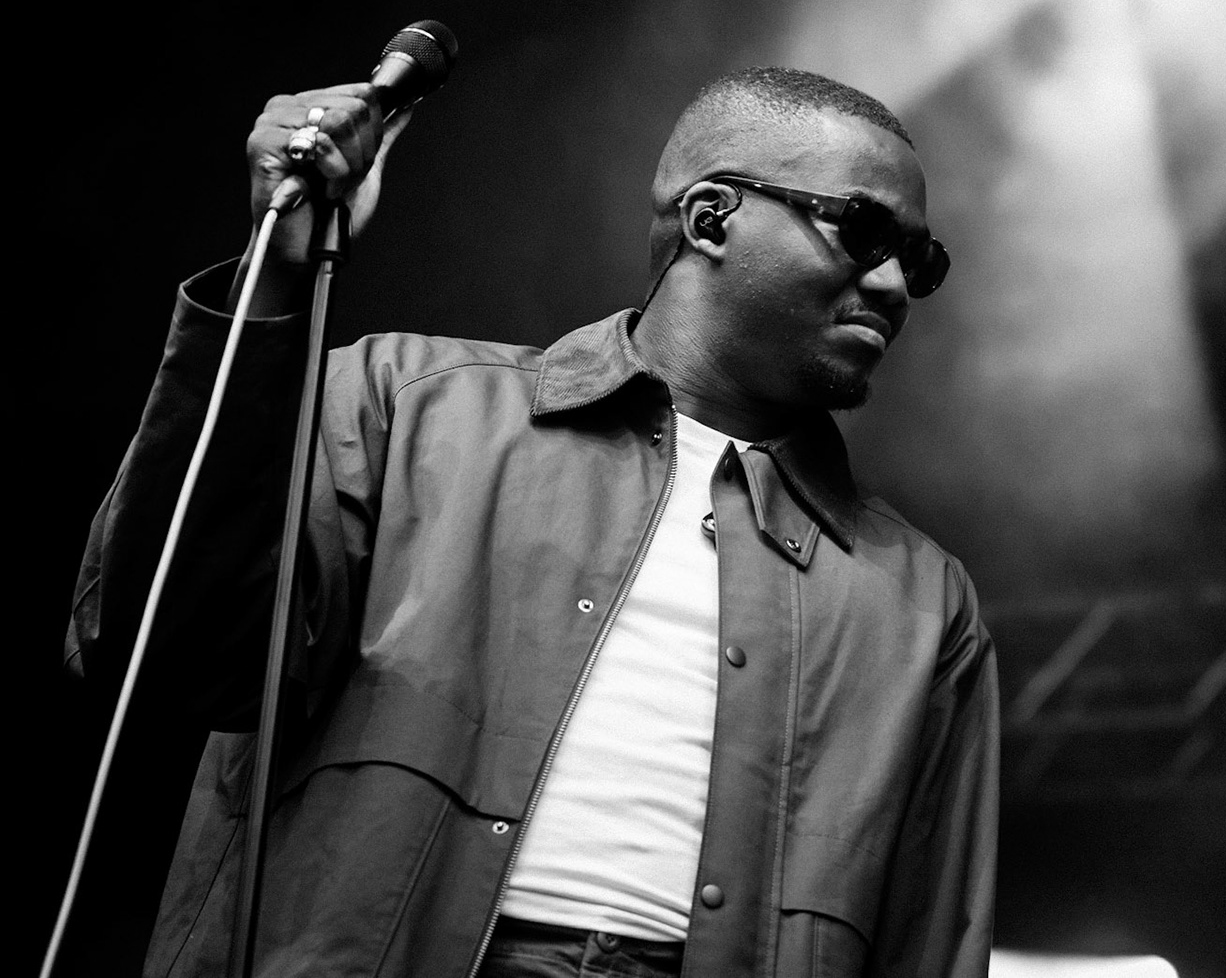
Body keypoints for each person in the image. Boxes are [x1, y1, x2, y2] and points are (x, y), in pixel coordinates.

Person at [67, 67, 999, 978]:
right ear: (711, 217)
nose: (892, 286)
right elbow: (159, 647)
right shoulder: (407, 404)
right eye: (865, 231)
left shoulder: (923, 605)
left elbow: (932, 938)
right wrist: (278, 276)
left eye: (919, 261)